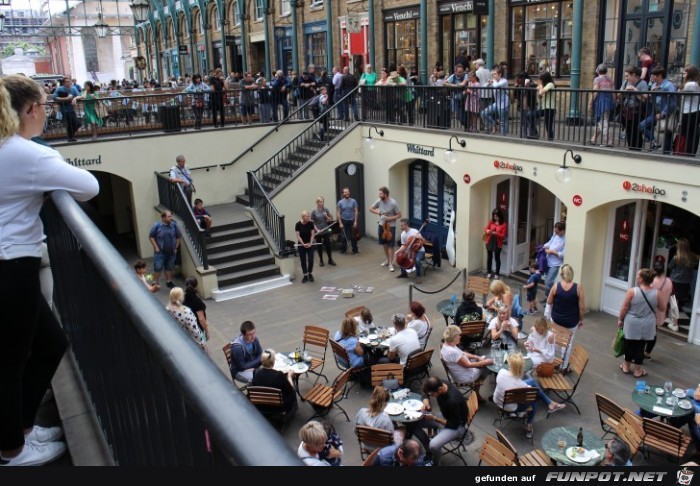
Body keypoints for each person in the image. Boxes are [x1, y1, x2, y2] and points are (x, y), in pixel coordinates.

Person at [0, 74, 99, 466]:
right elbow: (89, 186)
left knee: (48, 343)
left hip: (10, 267)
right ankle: (11, 449)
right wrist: (50, 161)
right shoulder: (25, 153)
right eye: (43, 106)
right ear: (31, 110)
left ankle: (22, 428)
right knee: (9, 362)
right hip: (11, 267)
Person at [493, 353, 566, 439]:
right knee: (534, 398)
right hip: (511, 407)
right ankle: (529, 426)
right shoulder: (521, 385)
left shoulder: (501, 372)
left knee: (532, 382)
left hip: (498, 401)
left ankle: (550, 403)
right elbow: (529, 390)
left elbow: (511, 382)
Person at [408, 376, 468, 466]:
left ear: (439, 389)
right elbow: (425, 393)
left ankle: (435, 463)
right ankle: (429, 451)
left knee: (434, 445)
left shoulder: (453, 401)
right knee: (413, 424)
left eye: (432, 394)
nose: (431, 396)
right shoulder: (441, 382)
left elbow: (454, 424)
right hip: (446, 416)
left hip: (457, 426)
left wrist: (435, 419)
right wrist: (426, 402)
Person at [618, 268, 664, 378]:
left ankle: (626, 366)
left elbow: (624, 308)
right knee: (640, 346)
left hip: (632, 322)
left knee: (629, 344)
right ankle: (637, 370)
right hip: (648, 323)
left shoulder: (632, 291)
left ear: (642, 279)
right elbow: (662, 308)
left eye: (638, 276)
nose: (637, 277)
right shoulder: (657, 293)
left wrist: (620, 319)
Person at [546, 263, 585, 371]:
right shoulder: (578, 288)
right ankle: (564, 366)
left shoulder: (556, 286)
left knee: (554, 339)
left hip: (556, 320)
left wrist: (548, 316)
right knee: (568, 343)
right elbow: (581, 307)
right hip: (571, 322)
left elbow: (549, 301)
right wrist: (581, 319)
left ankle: (551, 360)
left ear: (562, 275)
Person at [441, 325, 493, 402]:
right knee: (488, 367)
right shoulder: (452, 352)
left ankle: (476, 392)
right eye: (459, 335)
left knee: (483, 358)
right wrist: (484, 362)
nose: (460, 337)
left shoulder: (447, 345)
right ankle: (476, 392)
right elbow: (468, 365)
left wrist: (477, 357)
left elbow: (463, 353)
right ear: (454, 337)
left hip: (461, 372)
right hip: (466, 377)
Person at [251, 349, 298, 418]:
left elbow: (254, 387)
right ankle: (292, 412)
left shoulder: (256, 372)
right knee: (293, 391)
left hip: (261, 405)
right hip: (278, 407)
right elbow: (291, 390)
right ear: (273, 362)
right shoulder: (278, 375)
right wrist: (289, 377)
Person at [641, 66, 677, 154]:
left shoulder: (668, 85)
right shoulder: (654, 85)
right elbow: (651, 100)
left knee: (667, 132)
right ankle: (655, 143)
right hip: (656, 112)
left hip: (667, 113)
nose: (652, 78)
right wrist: (651, 94)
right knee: (642, 125)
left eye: (654, 76)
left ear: (660, 76)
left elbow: (672, 101)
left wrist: (664, 113)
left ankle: (667, 152)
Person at [369, 186, 401, 273]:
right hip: (382, 225)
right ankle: (388, 260)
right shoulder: (379, 201)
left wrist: (390, 218)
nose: (379, 195)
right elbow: (370, 208)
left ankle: (391, 263)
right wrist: (379, 212)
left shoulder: (393, 203)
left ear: (385, 194)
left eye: (380, 194)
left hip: (391, 226)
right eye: (379, 193)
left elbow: (399, 215)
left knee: (390, 245)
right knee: (384, 244)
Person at [617, 66, 649, 151]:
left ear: (634, 75)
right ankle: (631, 147)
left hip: (637, 111)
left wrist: (635, 90)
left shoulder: (643, 83)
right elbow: (619, 96)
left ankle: (637, 148)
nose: (626, 78)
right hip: (627, 110)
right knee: (628, 130)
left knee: (636, 130)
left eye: (627, 76)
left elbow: (645, 98)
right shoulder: (625, 82)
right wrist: (624, 91)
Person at [646, 260, 673, 358]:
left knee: (645, 332)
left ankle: (641, 352)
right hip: (661, 312)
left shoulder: (651, 281)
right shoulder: (669, 281)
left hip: (649, 311)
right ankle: (648, 352)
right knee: (653, 332)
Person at [148, 210, 181, 289]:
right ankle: (155, 282)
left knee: (169, 267)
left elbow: (178, 236)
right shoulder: (157, 226)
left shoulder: (174, 225)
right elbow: (151, 236)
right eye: (169, 216)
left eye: (171, 216)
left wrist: (176, 247)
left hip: (171, 251)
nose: (171, 218)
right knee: (158, 267)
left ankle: (169, 281)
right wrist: (156, 246)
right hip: (160, 252)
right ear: (163, 217)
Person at [668, 237, 699, 314]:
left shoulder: (676, 258)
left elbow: (669, 267)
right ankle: (677, 311)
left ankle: (674, 318)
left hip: (675, 280)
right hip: (686, 281)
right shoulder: (693, 257)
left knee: (673, 298)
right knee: (679, 297)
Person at [589, 64, 615, 147]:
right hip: (608, 101)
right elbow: (613, 92)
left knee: (603, 121)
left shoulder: (597, 79)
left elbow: (595, 92)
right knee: (602, 120)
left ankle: (608, 141)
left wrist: (590, 103)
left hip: (601, 101)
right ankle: (593, 139)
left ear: (598, 71)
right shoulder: (610, 79)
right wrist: (614, 101)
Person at [526, 71, 556, 140]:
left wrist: (540, 87)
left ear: (544, 79)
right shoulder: (543, 85)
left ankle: (550, 139)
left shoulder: (550, 84)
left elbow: (541, 93)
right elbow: (540, 96)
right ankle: (534, 133)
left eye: (540, 79)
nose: (539, 81)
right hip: (543, 107)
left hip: (550, 108)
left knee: (548, 125)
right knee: (529, 115)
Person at [480, 65, 510, 134]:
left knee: (503, 122)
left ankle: (503, 137)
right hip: (497, 103)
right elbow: (484, 87)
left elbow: (496, 86)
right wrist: (488, 83)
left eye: (494, 74)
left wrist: (493, 81)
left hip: (504, 104)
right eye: (492, 74)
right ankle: (494, 124)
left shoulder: (504, 81)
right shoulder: (494, 82)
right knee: (484, 113)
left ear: (500, 74)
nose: (493, 75)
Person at [395, 218, 425, 283]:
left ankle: (418, 276)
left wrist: (420, 237)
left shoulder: (414, 231)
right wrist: (397, 251)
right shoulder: (403, 234)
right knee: (400, 257)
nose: (400, 227)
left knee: (417, 260)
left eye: (401, 225)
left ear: (406, 225)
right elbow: (404, 245)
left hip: (420, 251)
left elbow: (423, 240)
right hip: (410, 251)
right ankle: (404, 273)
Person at [542, 221, 566, 301]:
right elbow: (550, 242)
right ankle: (548, 297)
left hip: (555, 264)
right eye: (555, 231)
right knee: (547, 281)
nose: (555, 233)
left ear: (562, 231)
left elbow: (563, 254)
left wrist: (552, 252)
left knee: (548, 282)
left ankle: (550, 299)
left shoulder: (565, 239)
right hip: (548, 261)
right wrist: (544, 246)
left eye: (557, 231)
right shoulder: (555, 235)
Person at [679, 65, 700, 156]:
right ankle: (688, 151)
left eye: (685, 73)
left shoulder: (691, 84)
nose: (683, 74)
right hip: (689, 110)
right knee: (688, 132)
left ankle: (689, 152)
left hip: (692, 111)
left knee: (689, 133)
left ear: (690, 74)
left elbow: (679, 92)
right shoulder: (693, 83)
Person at [310, 196, 336, 267]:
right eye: (321, 202)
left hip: (325, 230)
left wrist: (326, 216)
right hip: (318, 231)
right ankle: (321, 260)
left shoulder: (326, 210)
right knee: (319, 246)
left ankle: (330, 259)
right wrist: (317, 229)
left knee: (328, 245)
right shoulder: (314, 212)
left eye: (323, 201)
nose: (322, 203)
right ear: (317, 203)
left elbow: (330, 219)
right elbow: (312, 222)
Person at [53, 77, 81, 141]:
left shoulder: (73, 88)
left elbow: (79, 95)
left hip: (72, 109)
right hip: (64, 109)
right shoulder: (59, 89)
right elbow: (55, 97)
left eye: (69, 81)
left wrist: (75, 98)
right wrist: (66, 99)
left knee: (74, 123)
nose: (69, 83)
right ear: (63, 83)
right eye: (67, 81)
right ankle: (70, 137)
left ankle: (70, 137)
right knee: (72, 123)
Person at [183, 276, 209, 343]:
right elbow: (201, 319)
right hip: (197, 329)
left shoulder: (183, 298)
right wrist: (207, 332)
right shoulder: (197, 301)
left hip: (186, 327)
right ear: (196, 285)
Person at [484, 208, 507, 279]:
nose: (495, 218)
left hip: (497, 243)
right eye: (494, 216)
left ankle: (497, 273)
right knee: (489, 257)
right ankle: (489, 272)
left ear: (499, 216)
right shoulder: (491, 222)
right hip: (490, 241)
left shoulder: (503, 224)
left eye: (496, 216)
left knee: (497, 258)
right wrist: (487, 231)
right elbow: (485, 229)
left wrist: (496, 233)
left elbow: (503, 236)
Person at [295, 210, 316, 283]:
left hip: (310, 244)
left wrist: (310, 243)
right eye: (307, 216)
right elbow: (298, 236)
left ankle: (310, 273)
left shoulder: (310, 223)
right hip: (301, 245)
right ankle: (305, 275)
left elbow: (312, 234)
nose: (309, 217)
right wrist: (303, 244)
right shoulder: (298, 224)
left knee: (311, 260)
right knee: (303, 260)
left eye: (309, 216)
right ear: (303, 217)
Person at [337, 187, 359, 255]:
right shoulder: (340, 202)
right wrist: (340, 222)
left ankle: (355, 250)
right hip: (344, 221)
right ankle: (343, 250)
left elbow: (356, 211)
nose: (347, 193)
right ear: (343, 193)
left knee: (353, 237)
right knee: (343, 237)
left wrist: (355, 221)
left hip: (352, 221)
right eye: (345, 192)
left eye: (348, 192)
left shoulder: (353, 201)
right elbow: (338, 213)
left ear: (349, 192)